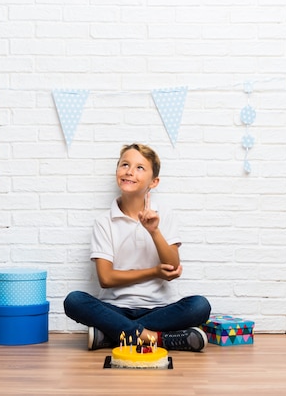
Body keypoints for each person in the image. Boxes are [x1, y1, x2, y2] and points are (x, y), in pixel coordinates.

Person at [63, 143, 211, 351]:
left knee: (199, 306)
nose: (130, 171)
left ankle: (114, 335)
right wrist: (153, 272)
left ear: (154, 182)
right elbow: (106, 279)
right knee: (74, 301)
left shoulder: (165, 216)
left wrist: (153, 231)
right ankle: (157, 339)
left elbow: (172, 268)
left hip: (158, 308)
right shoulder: (104, 222)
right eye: (125, 164)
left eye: (140, 167)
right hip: (115, 309)